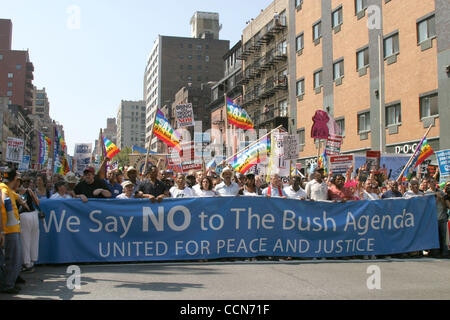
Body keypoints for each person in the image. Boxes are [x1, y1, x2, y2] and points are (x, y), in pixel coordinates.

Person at [0, 168, 23, 294]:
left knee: (13, 258)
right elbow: (3, 198)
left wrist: (19, 197)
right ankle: (7, 285)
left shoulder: (6, 188)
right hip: (9, 230)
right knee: (12, 258)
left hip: (11, 228)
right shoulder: (4, 189)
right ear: (14, 179)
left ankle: (9, 282)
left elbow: (13, 194)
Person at [16, 176, 40, 273]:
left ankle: (27, 263)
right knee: (33, 239)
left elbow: (36, 202)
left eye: (28, 181)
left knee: (26, 240)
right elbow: (37, 202)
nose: (26, 182)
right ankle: (31, 261)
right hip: (32, 215)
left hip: (25, 216)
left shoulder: (17, 191)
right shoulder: (29, 191)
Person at [426, 178, 449, 258]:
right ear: (428, 183)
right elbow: (430, 206)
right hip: (434, 218)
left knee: (444, 236)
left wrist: (441, 198)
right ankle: (435, 252)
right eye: (431, 182)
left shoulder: (441, 191)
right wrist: (437, 197)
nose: (433, 183)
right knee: (435, 236)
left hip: (442, 217)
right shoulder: (427, 193)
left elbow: (445, 203)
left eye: (434, 182)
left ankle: (444, 252)